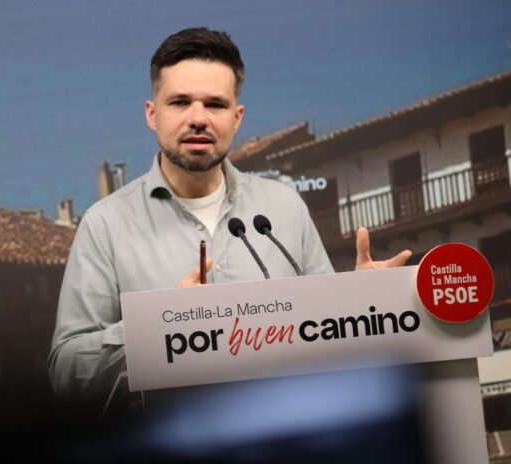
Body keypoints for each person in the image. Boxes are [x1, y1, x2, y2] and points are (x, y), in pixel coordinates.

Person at [48, 27, 411, 410]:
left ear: (236, 118)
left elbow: (328, 342)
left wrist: (364, 307)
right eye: (180, 102)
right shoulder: (105, 225)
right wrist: (160, 326)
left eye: (215, 105)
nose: (198, 119)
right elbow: (67, 372)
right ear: (152, 114)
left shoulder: (284, 207)